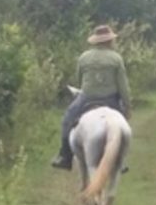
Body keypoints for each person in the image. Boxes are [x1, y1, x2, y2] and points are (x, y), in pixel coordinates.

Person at [51, 25, 131, 170]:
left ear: (95, 41)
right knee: (121, 125)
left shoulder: (84, 57)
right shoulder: (116, 58)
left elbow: (80, 80)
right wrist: (127, 106)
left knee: (67, 120)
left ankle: (65, 156)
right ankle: (120, 160)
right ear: (109, 41)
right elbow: (123, 86)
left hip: (87, 97)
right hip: (111, 99)